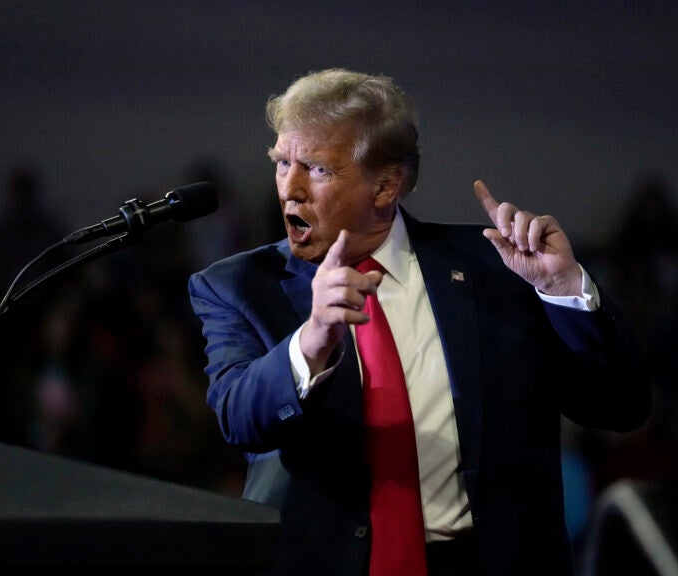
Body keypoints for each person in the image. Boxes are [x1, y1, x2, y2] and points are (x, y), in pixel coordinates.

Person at [187, 68, 652, 576]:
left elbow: (620, 405)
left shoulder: (497, 268)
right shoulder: (237, 286)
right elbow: (239, 419)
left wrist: (564, 291)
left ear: (386, 186)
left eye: (316, 169)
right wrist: (312, 339)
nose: (289, 189)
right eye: (282, 163)